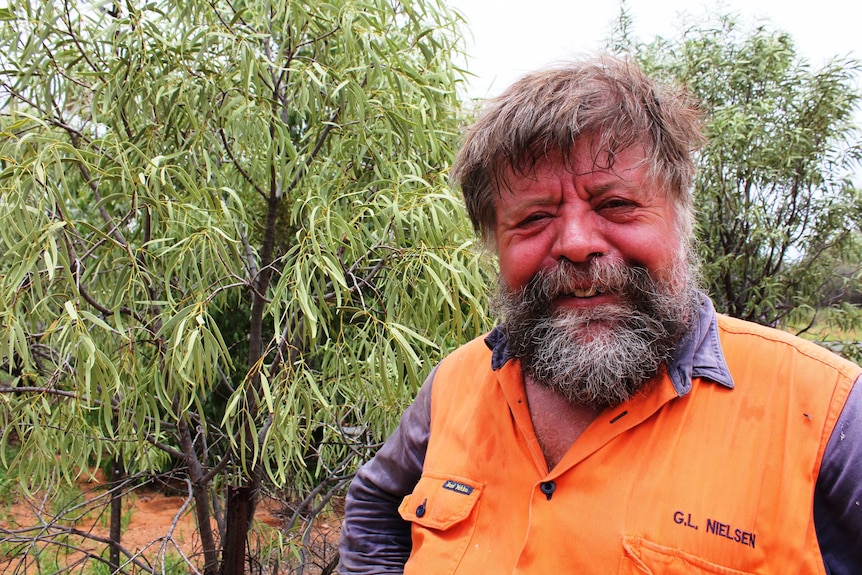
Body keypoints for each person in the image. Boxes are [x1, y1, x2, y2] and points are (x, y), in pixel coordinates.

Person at [338, 55, 862, 574]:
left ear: (680, 217)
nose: (577, 244)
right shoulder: (456, 382)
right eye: (535, 217)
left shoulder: (828, 414)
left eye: (614, 205)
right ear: (494, 243)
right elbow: (375, 507)